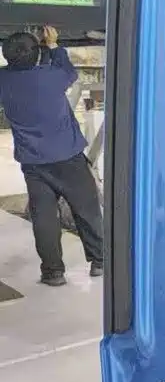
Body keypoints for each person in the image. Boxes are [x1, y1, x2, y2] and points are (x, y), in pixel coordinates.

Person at [0, 27, 102, 286]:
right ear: (36, 55)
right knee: (86, 209)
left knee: (44, 218)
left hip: (33, 163)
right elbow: (69, 71)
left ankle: (52, 272)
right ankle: (100, 261)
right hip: (68, 157)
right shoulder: (52, 76)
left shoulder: (4, 80)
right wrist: (54, 44)